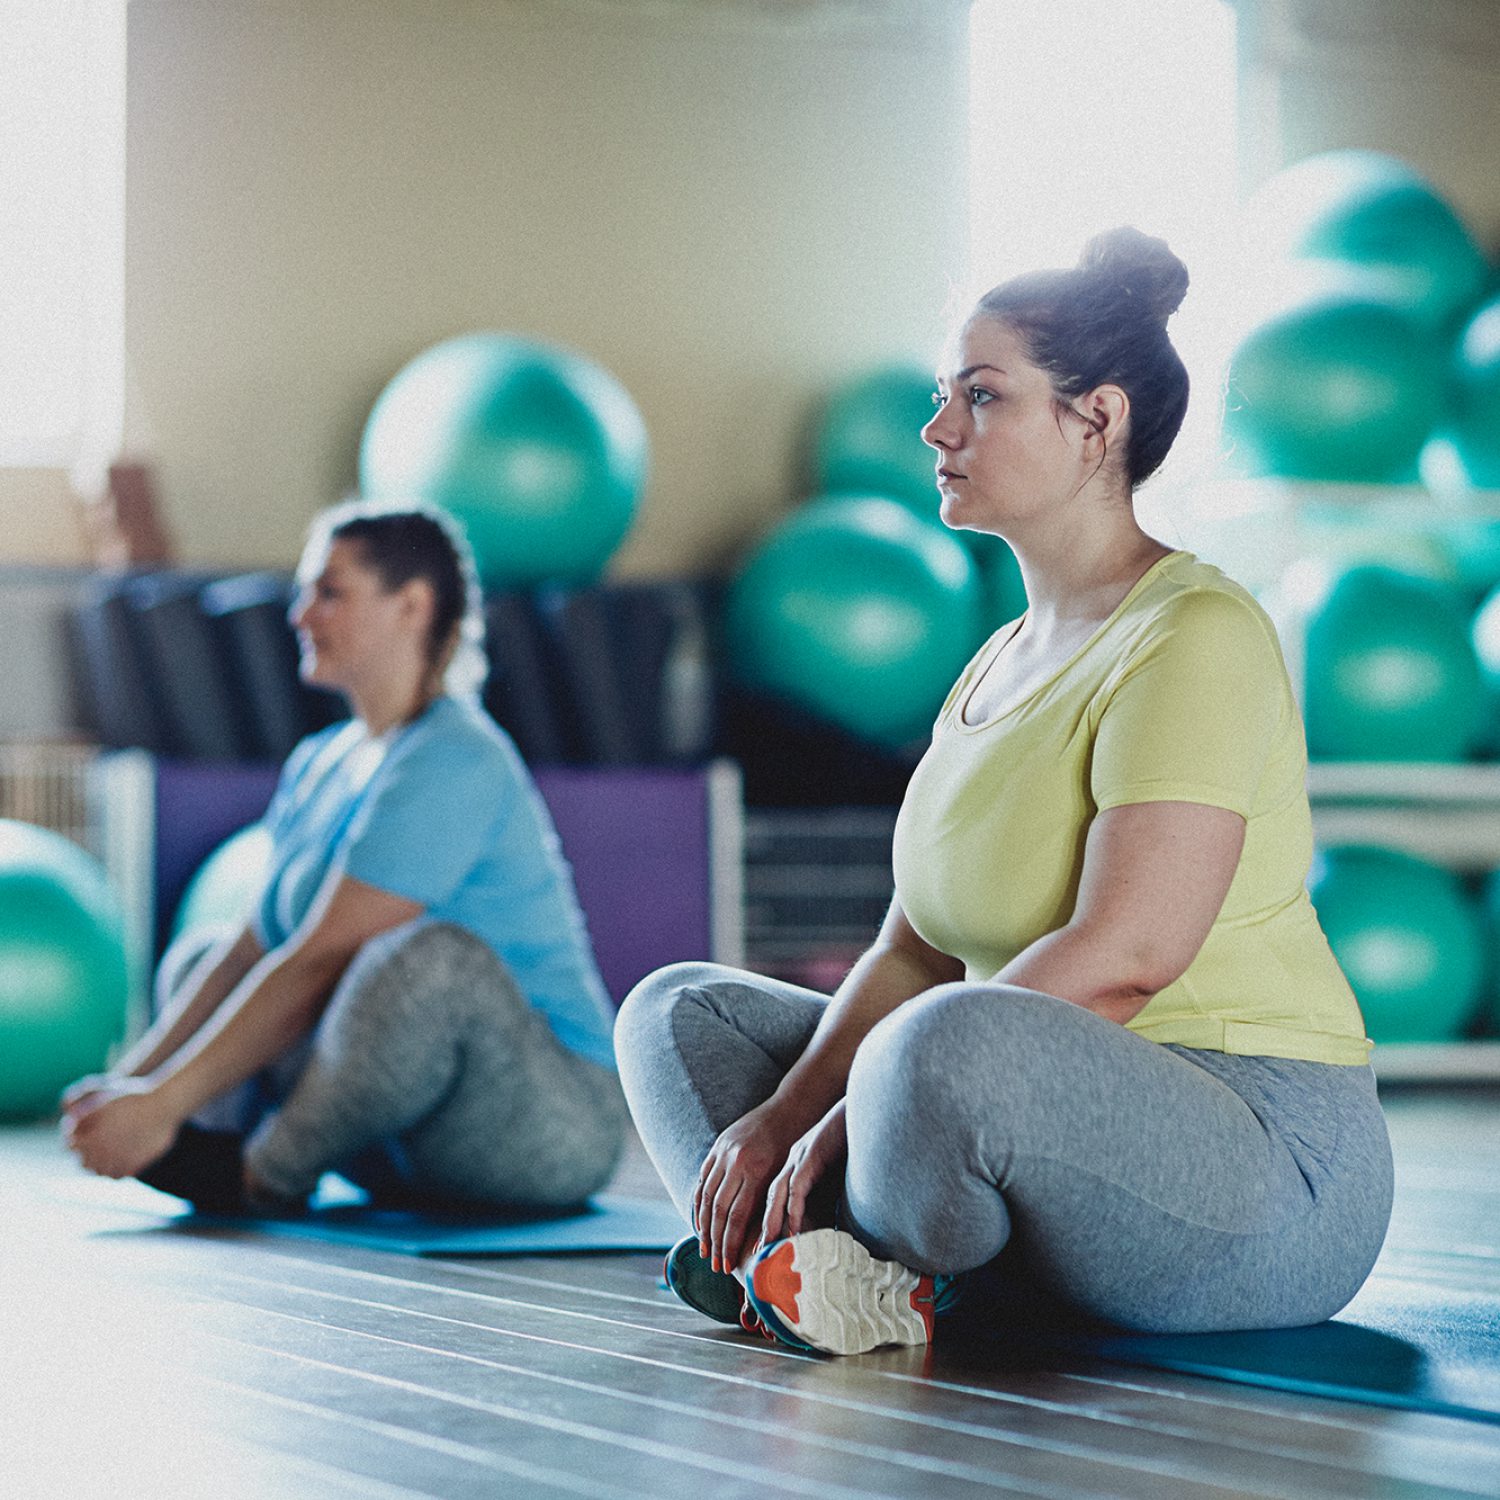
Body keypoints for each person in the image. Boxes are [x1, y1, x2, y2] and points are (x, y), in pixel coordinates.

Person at [615, 227, 1392, 1357]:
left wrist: (852, 1112)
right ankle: (829, 1262)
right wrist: (782, 1117)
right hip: (1003, 1106)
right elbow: (911, 953)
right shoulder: (992, 661)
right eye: (943, 395)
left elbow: (1128, 954)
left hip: (1262, 1158)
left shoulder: (1196, 633)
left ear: (1100, 421)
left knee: (933, 1052)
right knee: (680, 1011)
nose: (936, 430)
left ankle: (867, 1266)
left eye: (982, 397)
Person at [63, 501, 626, 1214]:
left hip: (544, 1121)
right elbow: (251, 950)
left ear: (413, 606)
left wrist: (163, 1099)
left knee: (425, 961)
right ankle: (206, 1144)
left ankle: (262, 1173)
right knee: (202, 954)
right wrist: (131, 1088)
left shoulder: (455, 756)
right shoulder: (320, 762)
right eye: (304, 593)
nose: (301, 615)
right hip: (399, 1129)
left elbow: (319, 961)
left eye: (329, 593)